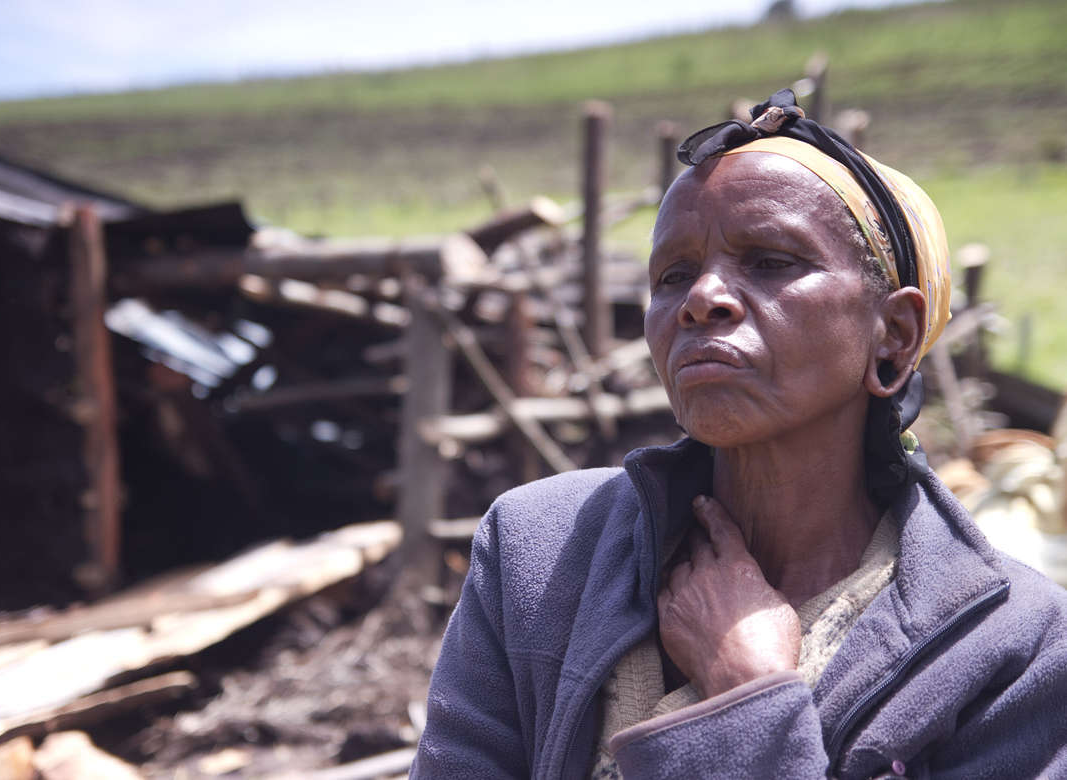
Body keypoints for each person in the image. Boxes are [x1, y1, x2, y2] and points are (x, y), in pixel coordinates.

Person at [411, 89, 1067, 778]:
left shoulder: (1015, 648)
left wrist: (749, 693)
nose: (702, 299)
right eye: (673, 275)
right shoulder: (539, 553)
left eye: (771, 261)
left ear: (894, 337)